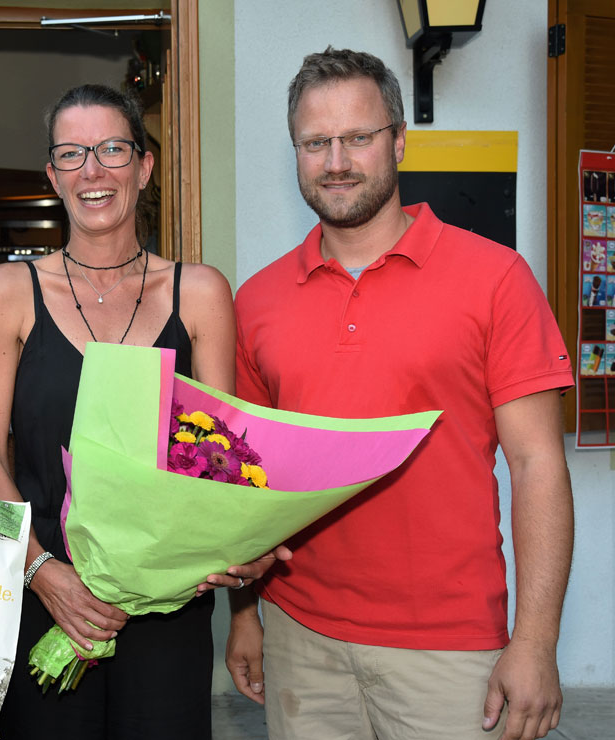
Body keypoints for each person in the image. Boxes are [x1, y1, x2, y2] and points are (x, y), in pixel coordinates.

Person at [226, 48, 574, 740]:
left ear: (399, 141)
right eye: (315, 143)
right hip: (300, 635)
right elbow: (245, 478)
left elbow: (537, 464)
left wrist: (535, 642)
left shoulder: (496, 277)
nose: (336, 162)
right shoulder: (257, 300)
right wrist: (245, 615)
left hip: (449, 645)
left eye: (358, 137)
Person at [0, 83, 237, 739]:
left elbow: (225, 460)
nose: (93, 170)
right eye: (72, 153)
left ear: (144, 166)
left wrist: (222, 548)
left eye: (113, 149)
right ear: (52, 174)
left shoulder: (200, 292)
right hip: (45, 596)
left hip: (169, 603)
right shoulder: (7, 291)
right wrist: (40, 572)